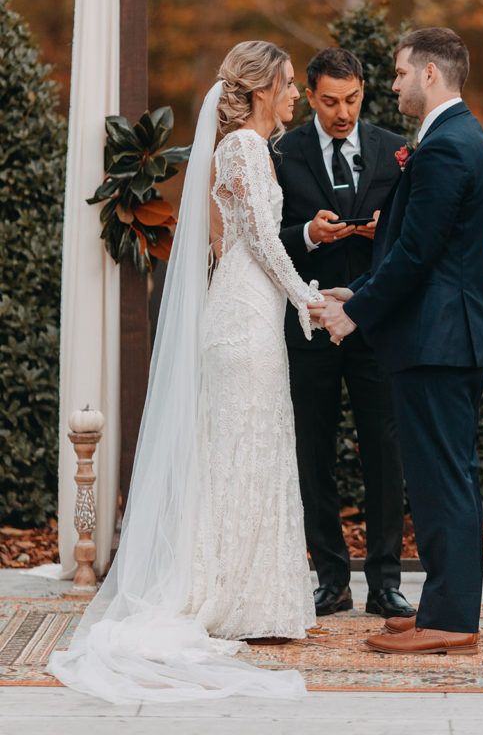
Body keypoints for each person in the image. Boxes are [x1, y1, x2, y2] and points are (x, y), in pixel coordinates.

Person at [50, 41, 323, 702]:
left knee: (248, 450)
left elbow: (241, 239)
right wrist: (308, 299)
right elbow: (258, 239)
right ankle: (234, 597)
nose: (295, 94)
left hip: (244, 311)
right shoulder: (245, 150)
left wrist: (295, 296)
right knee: (243, 452)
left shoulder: (242, 150)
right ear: (259, 90)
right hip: (244, 319)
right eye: (287, 84)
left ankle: (252, 594)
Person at [311, 27, 483, 657]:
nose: (390, 86)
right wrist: (355, 290)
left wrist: (356, 312)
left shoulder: (448, 145)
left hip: (439, 340)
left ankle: (449, 620)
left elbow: (419, 254)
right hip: (440, 335)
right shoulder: (451, 137)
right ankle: (446, 605)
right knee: (443, 476)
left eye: (397, 74)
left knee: (443, 479)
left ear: (430, 75)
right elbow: (417, 248)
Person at [274, 47, 414, 621]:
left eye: (352, 100)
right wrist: (307, 234)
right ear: (310, 96)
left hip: (375, 324)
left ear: (363, 91)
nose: (343, 113)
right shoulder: (282, 152)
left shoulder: (393, 150)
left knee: (385, 451)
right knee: (314, 451)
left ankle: (386, 583)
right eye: (330, 101)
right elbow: (260, 238)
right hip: (308, 324)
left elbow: (414, 235)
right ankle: (330, 580)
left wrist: (384, 234)